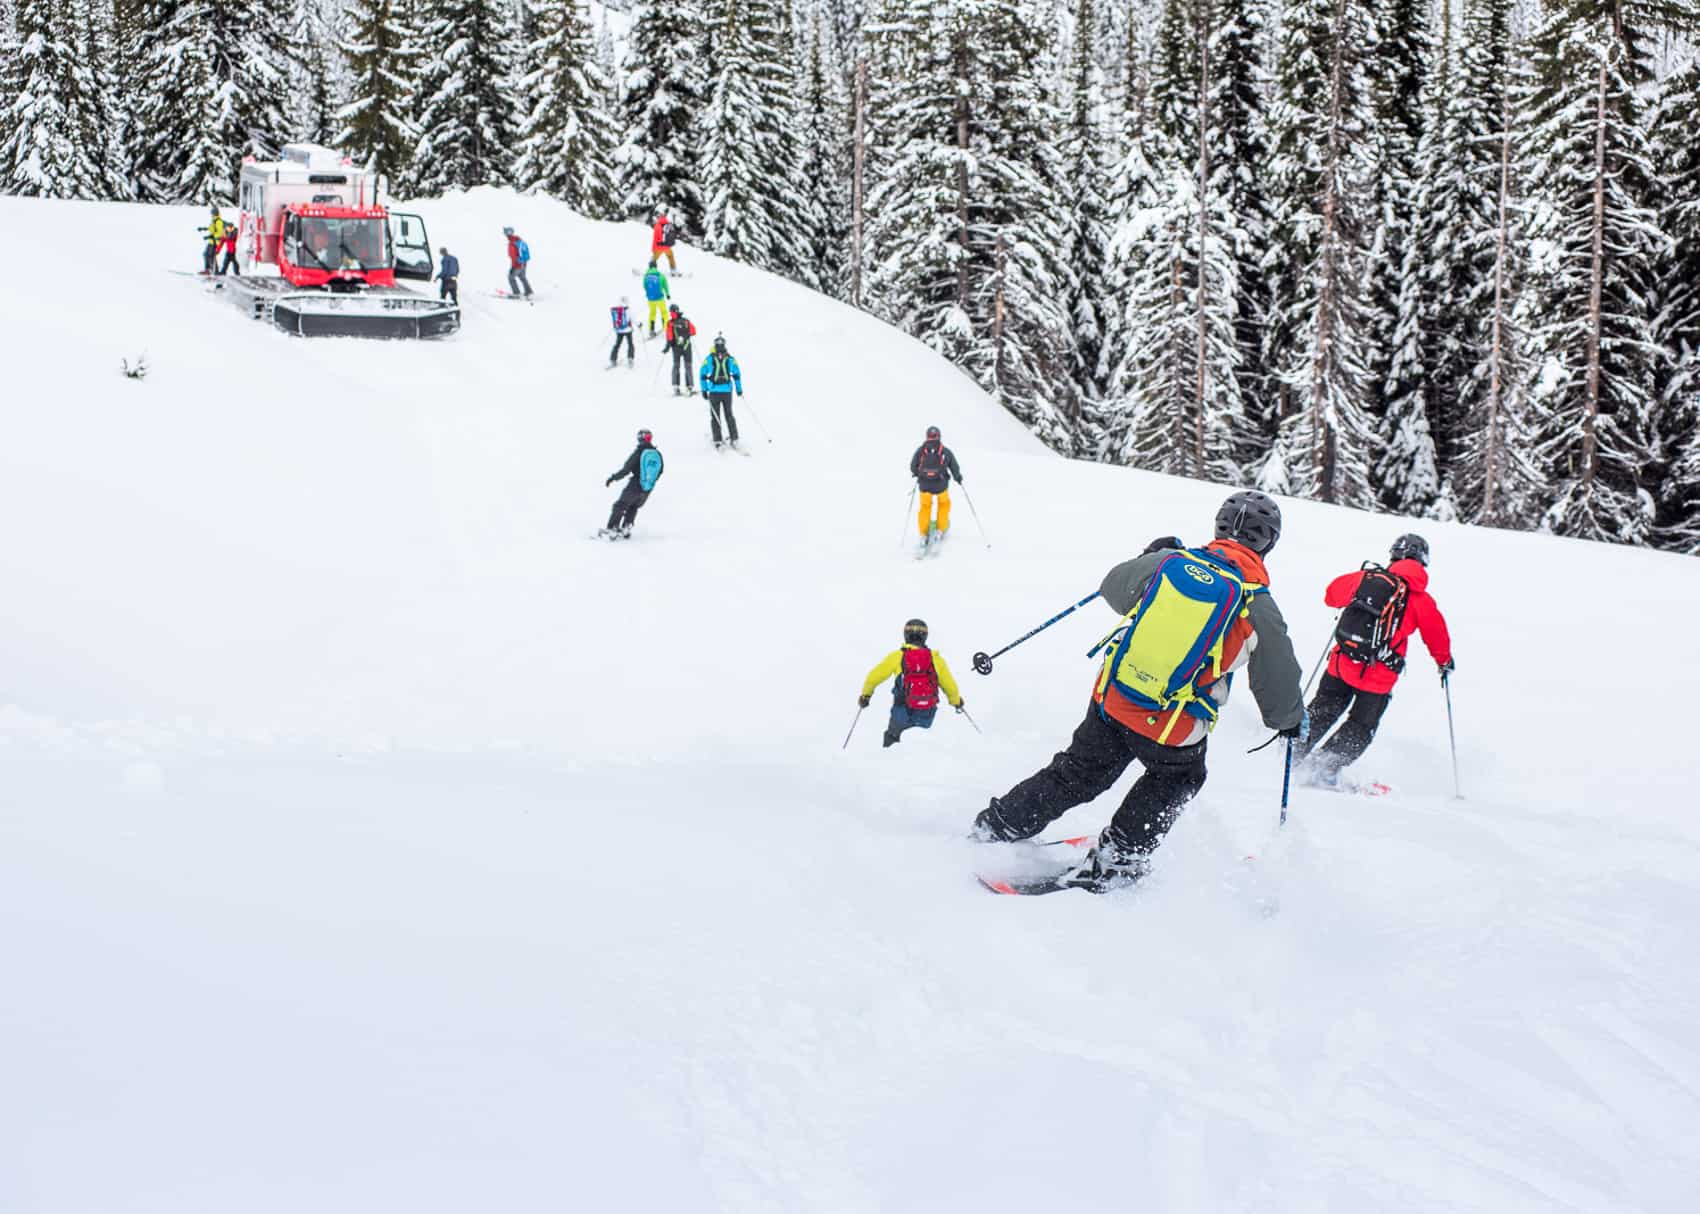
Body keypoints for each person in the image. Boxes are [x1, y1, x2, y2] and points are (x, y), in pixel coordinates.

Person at [970, 491, 1306, 892]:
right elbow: (1277, 680)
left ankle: (1000, 823)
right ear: (1268, 543)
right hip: (1171, 724)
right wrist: (1288, 720)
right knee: (1178, 778)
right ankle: (1117, 861)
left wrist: (1150, 555)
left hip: (1113, 696)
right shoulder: (1257, 604)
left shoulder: (1172, 562)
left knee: (1079, 771)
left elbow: (1113, 588)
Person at [1296, 533, 1453, 786]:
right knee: (1359, 727)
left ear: (1393, 556)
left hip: (1341, 663)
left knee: (1322, 710)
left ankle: (1289, 757)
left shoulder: (1367, 579)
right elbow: (1437, 635)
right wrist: (1443, 661)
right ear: (1423, 562)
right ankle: (1323, 769)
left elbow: (1331, 596)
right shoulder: (1421, 600)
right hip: (1379, 678)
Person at [858, 619, 966, 748]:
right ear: (925, 636)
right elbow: (950, 685)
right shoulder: (936, 659)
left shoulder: (897, 656)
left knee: (892, 746)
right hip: (927, 713)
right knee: (922, 747)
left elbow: (873, 677)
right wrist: (956, 702)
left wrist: (866, 695)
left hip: (901, 712)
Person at [601, 429, 664, 538]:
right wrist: (649, 482)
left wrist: (613, 478)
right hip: (647, 488)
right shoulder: (657, 454)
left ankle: (612, 530)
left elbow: (626, 469)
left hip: (635, 484)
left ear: (640, 438)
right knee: (633, 506)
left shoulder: (639, 452)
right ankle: (626, 528)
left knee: (620, 505)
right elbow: (660, 470)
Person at [910, 426, 964, 548]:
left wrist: (917, 473)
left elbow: (913, 466)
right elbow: (954, 466)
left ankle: (923, 534)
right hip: (941, 485)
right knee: (944, 505)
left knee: (925, 507)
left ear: (927, 436)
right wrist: (958, 478)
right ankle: (940, 530)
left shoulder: (921, 450)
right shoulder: (945, 451)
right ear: (939, 436)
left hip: (924, 485)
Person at [699, 335, 743, 449]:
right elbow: (737, 374)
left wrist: (704, 390)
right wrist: (739, 389)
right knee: (729, 414)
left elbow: (702, 374)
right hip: (727, 391)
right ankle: (734, 438)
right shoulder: (730, 358)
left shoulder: (709, 358)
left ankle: (717, 440)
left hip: (714, 391)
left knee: (715, 416)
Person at [663, 304, 696, 395]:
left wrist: (667, 347)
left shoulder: (670, 323)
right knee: (688, 366)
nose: (671, 314)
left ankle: (676, 386)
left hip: (676, 347)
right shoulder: (686, 321)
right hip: (687, 346)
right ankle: (690, 386)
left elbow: (669, 337)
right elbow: (693, 331)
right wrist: (686, 334)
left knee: (676, 366)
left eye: (671, 312)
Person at [641, 259, 670, 335]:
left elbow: (644, 286)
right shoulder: (660, 275)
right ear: (656, 266)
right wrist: (667, 294)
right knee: (664, 313)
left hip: (651, 299)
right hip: (660, 298)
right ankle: (666, 328)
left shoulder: (646, 276)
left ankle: (651, 329)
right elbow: (665, 286)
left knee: (652, 313)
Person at [504, 226, 533, 297]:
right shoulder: (518, 240)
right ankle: (529, 291)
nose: (505, 235)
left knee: (511, 277)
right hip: (523, 263)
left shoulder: (513, 243)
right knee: (522, 276)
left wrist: (513, 267)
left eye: (506, 233)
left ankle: (516, 293)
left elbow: (514, 256)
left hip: (518, 264)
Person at [200, 206, 227, 274]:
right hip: (211, 241)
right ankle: (208, 270)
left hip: (215, 242)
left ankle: (214, 271)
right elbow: (212, 229)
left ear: (215, 213)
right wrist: (203, 228)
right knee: (206, 254)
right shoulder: (214, 220)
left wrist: (212, 237)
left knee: (211, 256)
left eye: (212, 213)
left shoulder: (218, 221)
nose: (211, 215)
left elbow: (219, 232)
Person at [609, 296, 636, 367]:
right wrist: (639, 324)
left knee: (617, 344)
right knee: (630, 344)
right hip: (627, 330)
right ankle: (630, 358)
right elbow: (632, 318)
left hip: (619, 330)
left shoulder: (616, 309)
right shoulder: (627, 309)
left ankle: (613, 359)